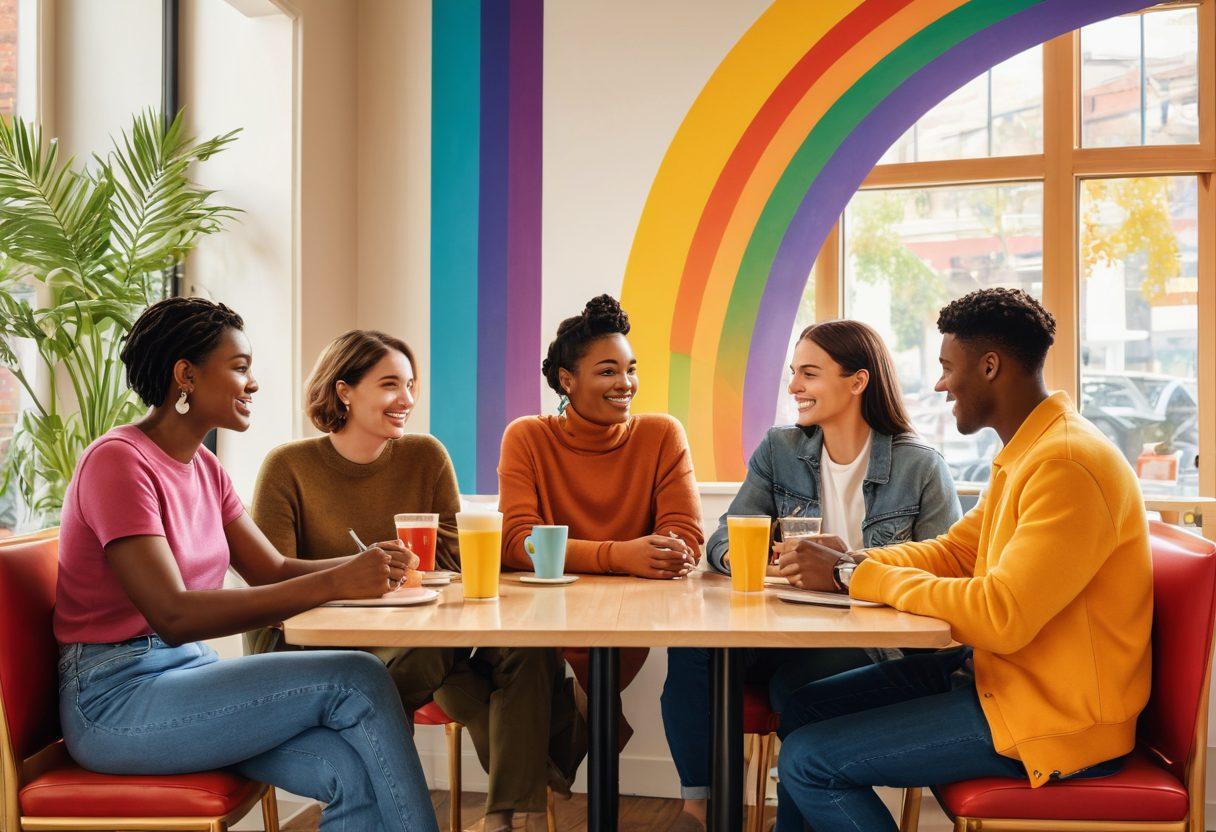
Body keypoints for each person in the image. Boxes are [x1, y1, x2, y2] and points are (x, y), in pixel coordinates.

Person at [772, 289, 1152, 832]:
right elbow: (955, 551)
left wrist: (854, 576)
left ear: (990, 366)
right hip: (998, 683)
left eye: (949, 366)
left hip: (1053, 719)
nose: (940, 383)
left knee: (810, 763)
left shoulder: (1067, 464)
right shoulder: (1029, 452)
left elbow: (1002, 614)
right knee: (803, 705)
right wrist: (854, 558)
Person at [55, 297, 438, 832]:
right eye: (239, 368)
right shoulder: (118, 462)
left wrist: (360, 565)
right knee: (357, 674)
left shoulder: (205, 468)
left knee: (351, 771)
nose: (253, 383)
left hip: (188, 675)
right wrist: (340, 579)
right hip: (115, 700)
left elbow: (272, 569)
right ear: (185, 375)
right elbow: (175, 615)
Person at [249, 329, 581, 832]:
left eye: (410, 385)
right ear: (344, 391)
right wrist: (355, 578)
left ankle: (503, 818)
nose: (406, 400)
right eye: (389, 385)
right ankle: (548, 760)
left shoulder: (425, 456)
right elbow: (270, 589)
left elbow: (455, 556)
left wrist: (425, 567)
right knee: (443, 660)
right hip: (323, 649)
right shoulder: (287, 468)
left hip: (421, 633)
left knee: (527, 648)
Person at [661, 320, 961, 831]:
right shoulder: (780, 450)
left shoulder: (920, 467)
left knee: (796, 688)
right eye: (793, 373)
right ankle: (702, 806)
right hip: (780, 629)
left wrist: (850, 571)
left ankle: (792, 824)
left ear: (858, 381)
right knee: (692, 648)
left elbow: (949, 575)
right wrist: (758, 561)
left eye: (809, 373)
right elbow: (722, 540)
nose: (794, 386)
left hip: (867, 639)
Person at [498, 294, 704, 741]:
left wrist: (668, 553)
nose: (626, 383)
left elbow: (685, 535)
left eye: (630, 369)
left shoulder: (661, 434)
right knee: (527, 687)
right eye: (608, 371)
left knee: (532, 712)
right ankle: (587, 726)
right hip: (542, 617)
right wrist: (620, 556)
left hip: (624, 617)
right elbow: (516, 543)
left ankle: (574, 733)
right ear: (567, 380)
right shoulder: (527, 437)